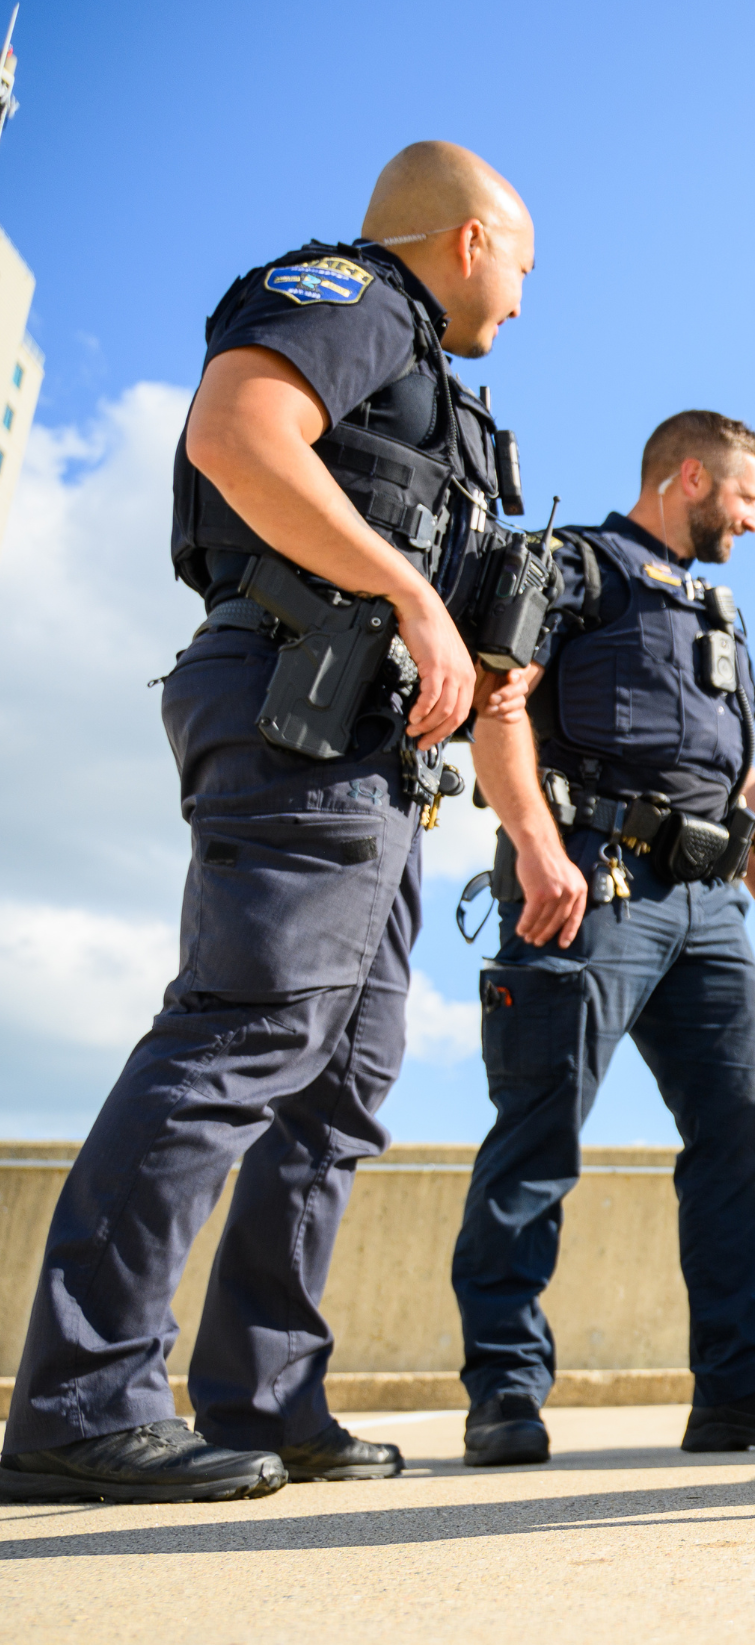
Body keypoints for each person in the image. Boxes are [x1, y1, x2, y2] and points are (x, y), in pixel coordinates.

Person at [0, 143, 535, 1503]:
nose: (523, 303)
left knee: (341, 1086)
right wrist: (412, 597)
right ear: (472, 240)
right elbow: (236, 431)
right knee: (243, 1033)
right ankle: (80, 1400)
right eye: (523, 267)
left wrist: (473, 639)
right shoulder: (358, 297)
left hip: (372, 748)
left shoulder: (426, 376)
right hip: (300, 704)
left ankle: (268, 1396)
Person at [452, 410, 755, 1464]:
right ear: (686, 478)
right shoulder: (573, 568)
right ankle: (503, 1391)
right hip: (592, 880)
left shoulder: (718, 605)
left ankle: (737, 1391)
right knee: (537, 1137)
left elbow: (739, 772)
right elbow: (499, 705)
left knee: (738, 1140)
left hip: (712, 906)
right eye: (746, 500)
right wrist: (536, 848)